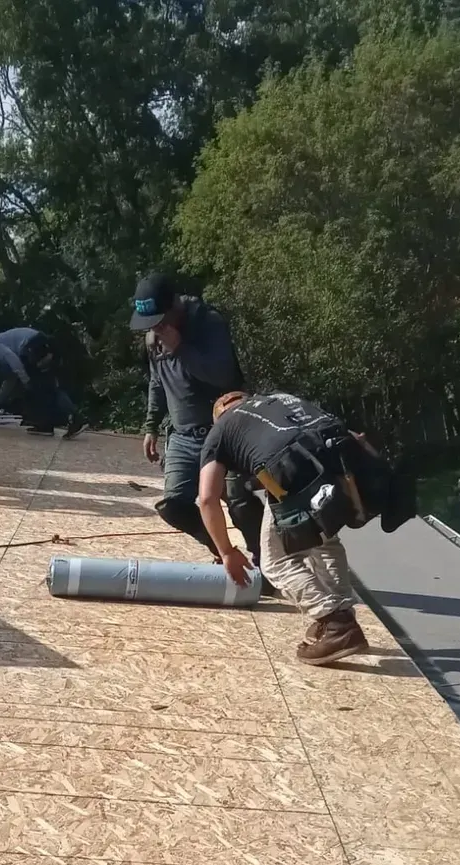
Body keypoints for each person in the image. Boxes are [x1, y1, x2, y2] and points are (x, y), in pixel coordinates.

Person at [198, 390, 389, 665]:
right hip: (343, 457)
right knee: (325, 539)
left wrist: (227, 552)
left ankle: (335, 622)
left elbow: (206, 498)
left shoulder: (222, 430)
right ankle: (341, 617)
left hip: (293, 467)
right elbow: (356, 437)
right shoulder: (278, 401)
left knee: (276, 562)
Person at [131, 271, 263, 564]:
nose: (155, 328)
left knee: (238, 501)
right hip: (183, 434)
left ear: (174, 305)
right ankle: (225, 551)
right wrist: (151, 425)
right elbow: (156, 382)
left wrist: (181, 348)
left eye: (159, 321)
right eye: (150, 324)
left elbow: (223, 376)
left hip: (225, 432)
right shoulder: (154, 337)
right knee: (173, 506)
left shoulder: (208, 323)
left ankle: (264, 558)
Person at [0, 329, 84, 436]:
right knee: (46, 388)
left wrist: (26, 380)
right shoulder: (1, 343)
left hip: (34, 346)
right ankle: (47, 425)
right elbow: (11, 378)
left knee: (37, 388)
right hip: (43, 343)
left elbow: (14, 360)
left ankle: (73, 419)